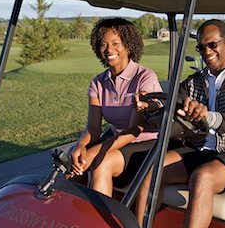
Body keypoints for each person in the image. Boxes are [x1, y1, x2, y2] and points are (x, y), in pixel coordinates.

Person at [136, 19, 225, 228]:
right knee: (153, 169)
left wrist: (208, 116)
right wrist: (151, 104)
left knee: (202, 177)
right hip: (199, 148)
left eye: (212, 44)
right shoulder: (194, 81)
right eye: (201, 47)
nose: (206, 51)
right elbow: (173, 99)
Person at [69, 17, 162, 197]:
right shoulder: (98, 83)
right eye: (103, 45)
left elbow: (135, 129)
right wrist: (80, 146)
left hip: (144, 143)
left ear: (128, 45)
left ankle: (98, 223)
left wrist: (95, 151)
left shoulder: (144, 77)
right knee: (69, 160)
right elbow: (93, 127)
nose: (109, 50)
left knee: (100, 163)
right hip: (114, 140)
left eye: (115, 43)